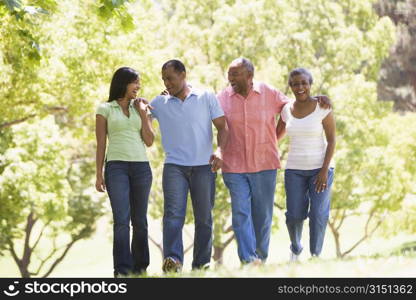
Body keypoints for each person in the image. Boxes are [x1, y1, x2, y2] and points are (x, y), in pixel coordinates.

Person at [217, 58, 331, 265]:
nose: (230, 78)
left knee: (262, 215)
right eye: (229, 73)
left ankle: (261, 256)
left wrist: (316, 99)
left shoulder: (268, 93)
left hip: (264, 164)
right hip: (233, 165)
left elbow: (295, 106)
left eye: (235, 74)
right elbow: (212, 119)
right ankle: (248, 259)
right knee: (241, 212)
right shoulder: (222, 97)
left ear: (249, 76)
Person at [150, 59, 228, 272]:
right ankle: (173, 261)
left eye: (171, 78)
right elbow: (139, 114)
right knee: (173, 215)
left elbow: (222, 127)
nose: (167, 83)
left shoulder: (205, 97)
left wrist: (220, 151)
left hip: (204, 166)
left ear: (183, 75)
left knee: (204, 217)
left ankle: (201, 264)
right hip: (174, 166)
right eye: (164, 79)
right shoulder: (159, 103)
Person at [95, 67, 154, 277]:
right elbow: (101, 143)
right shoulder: (105, 109)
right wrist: (98, 173)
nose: (138, 87)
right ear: (123, 83)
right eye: (135, 82)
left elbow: (149, 141)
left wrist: (144, 114)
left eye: (139, 83)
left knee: (140, 221)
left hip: (141, 168)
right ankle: (122, 270)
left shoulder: (141, 107)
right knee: (122, 221)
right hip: (116, 167)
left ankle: (140, 269)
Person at [276, 67, 336, 262]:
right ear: (290, 86)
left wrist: (324, 171)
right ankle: (296, 246)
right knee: (294, 215)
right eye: (295, 84)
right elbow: (275, 137)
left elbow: (332, 140)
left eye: (304, 83)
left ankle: (315, 255)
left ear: (310, 85)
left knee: (318, 213)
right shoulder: (286, 110)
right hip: (294, 169)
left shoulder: (322, 107)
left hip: (321, 168)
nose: (300, 87)